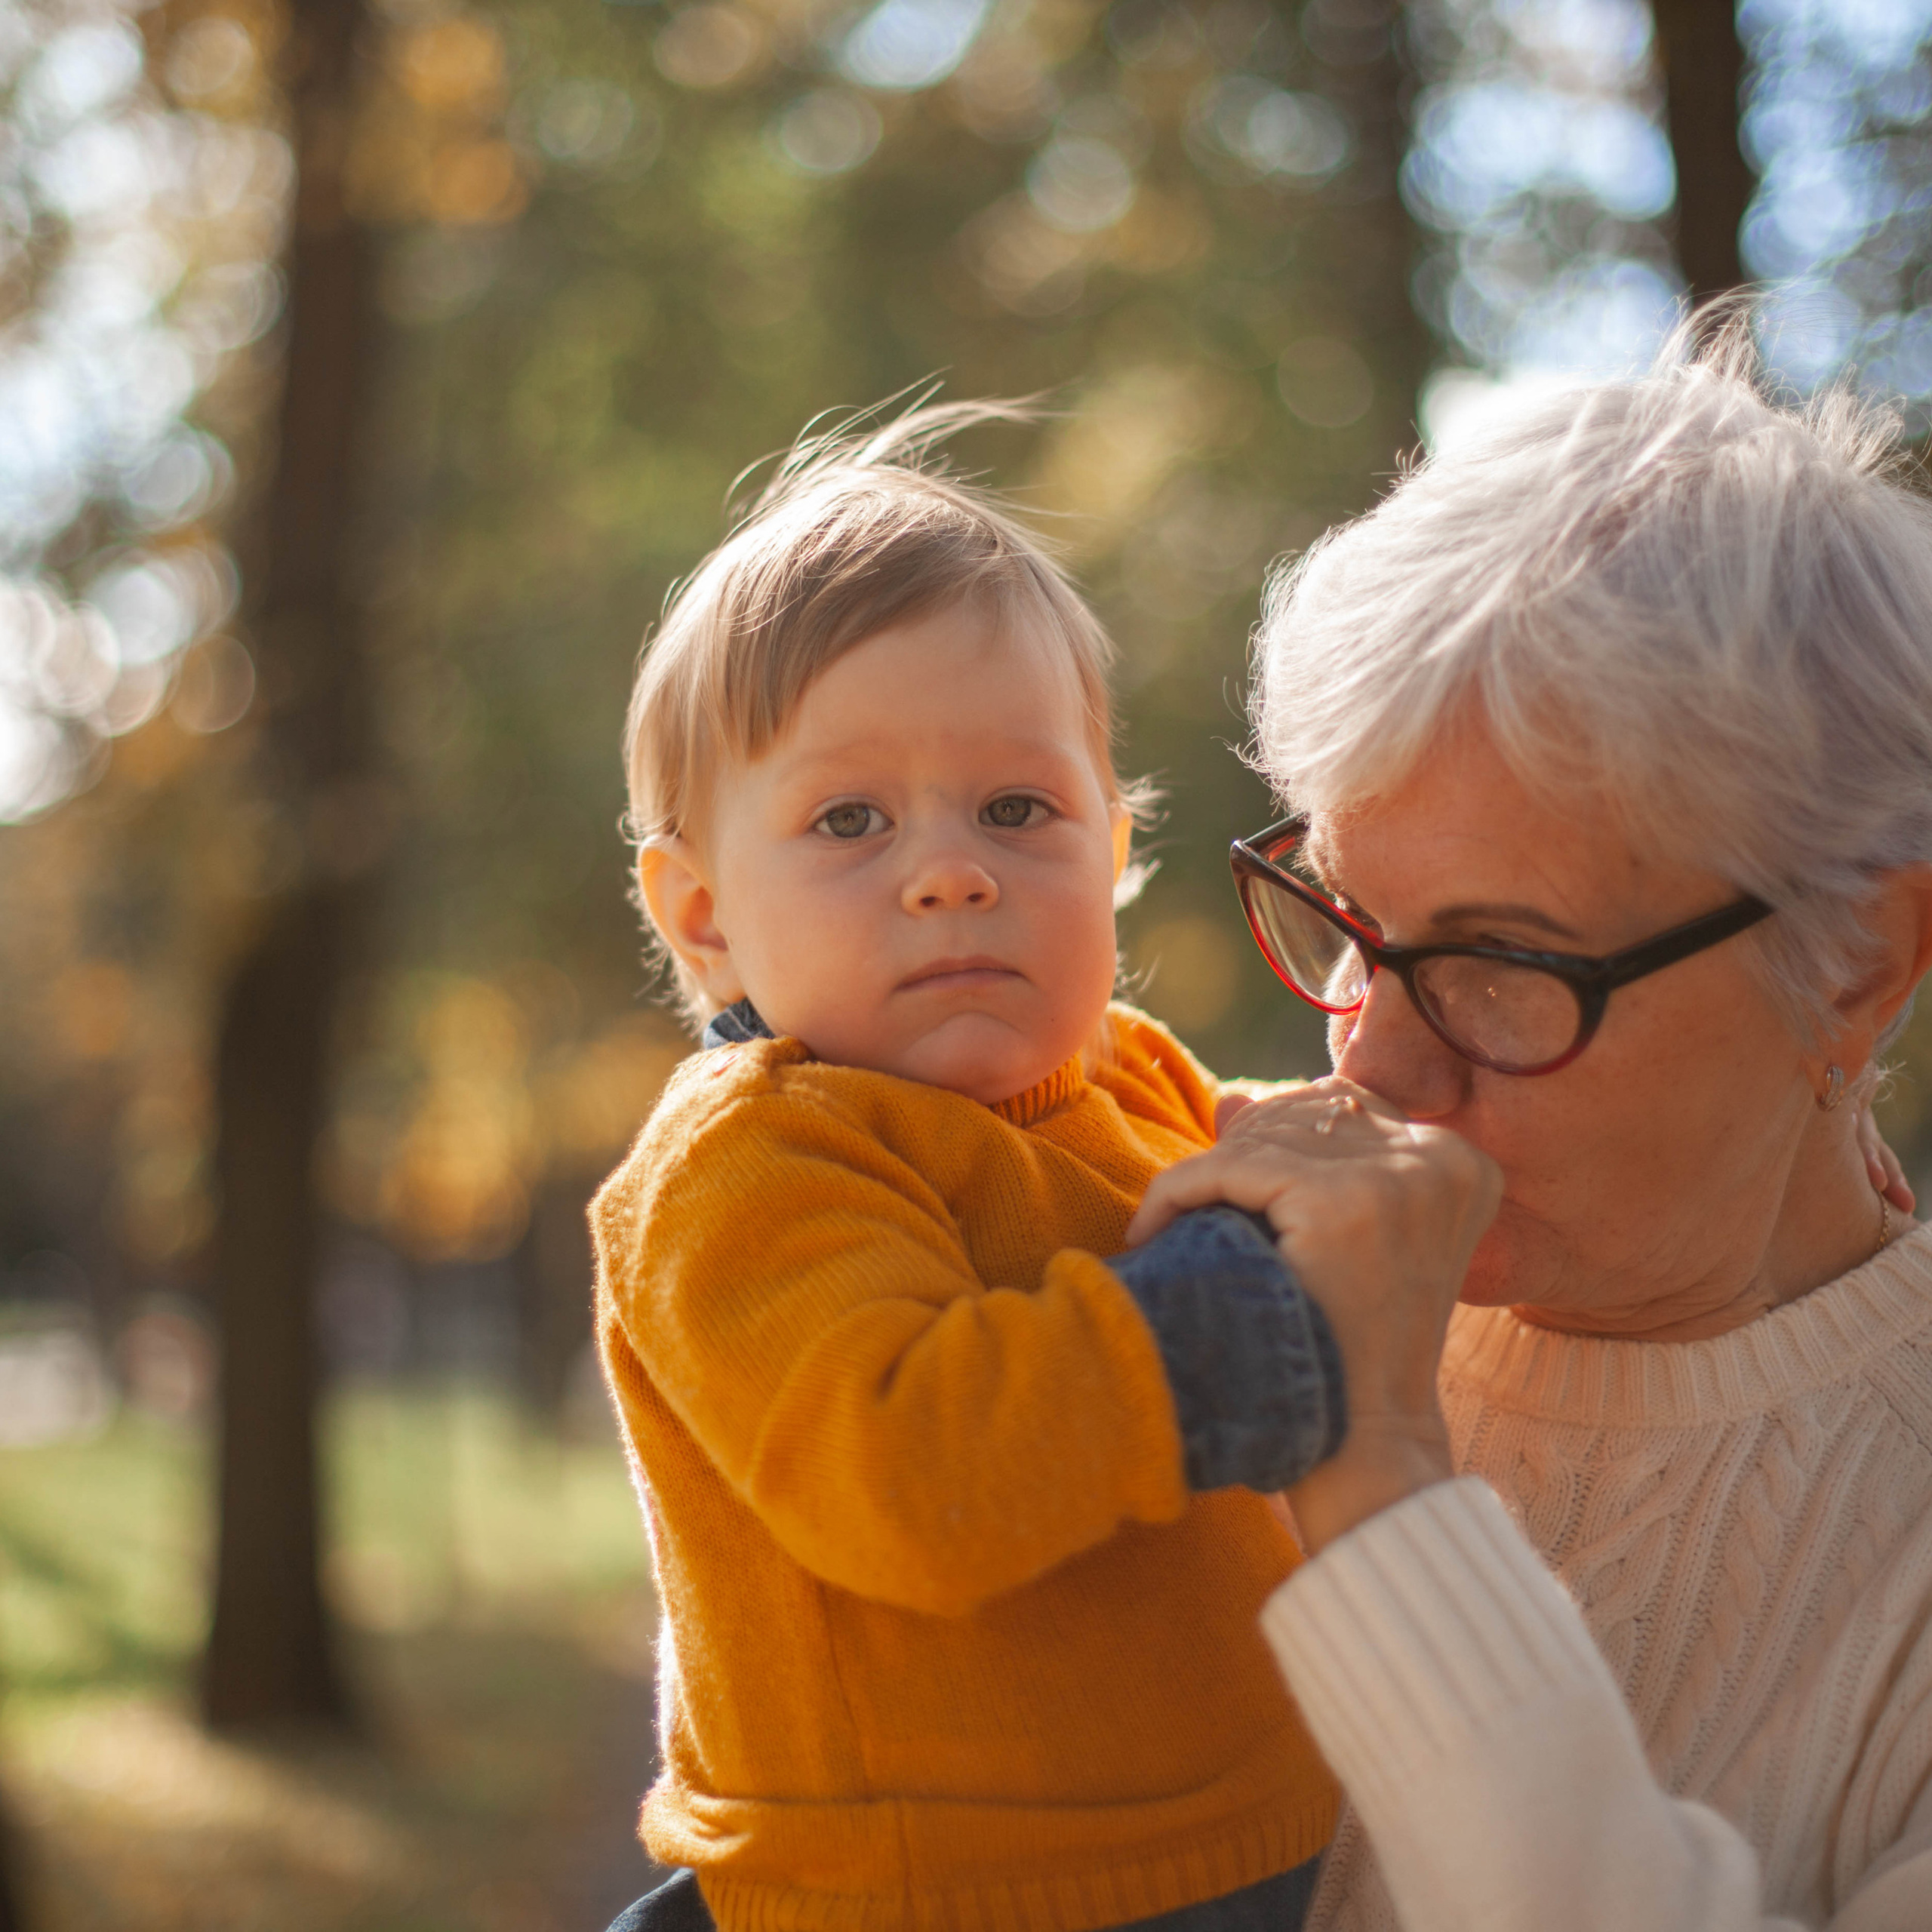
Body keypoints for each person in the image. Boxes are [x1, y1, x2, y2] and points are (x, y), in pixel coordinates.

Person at [1149, 312, 1932, 1930]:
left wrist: (1372, 1467)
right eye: (1347, 921)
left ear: (1854, 962)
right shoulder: (1211, 1277)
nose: (1374, 1072)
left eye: (1500, 966)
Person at [589, 405, 1414, 1932]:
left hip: (1256, 1830)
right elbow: (908, 1475)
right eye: (848, 817)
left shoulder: (1133, 1072)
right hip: (938, 1886)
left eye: (1016, 808)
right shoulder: (751, 1161)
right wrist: (1235, 1319)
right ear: (702, 911)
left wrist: (1364, 1159)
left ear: (1109, 845)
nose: (948, 865)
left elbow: (1257, 1173)